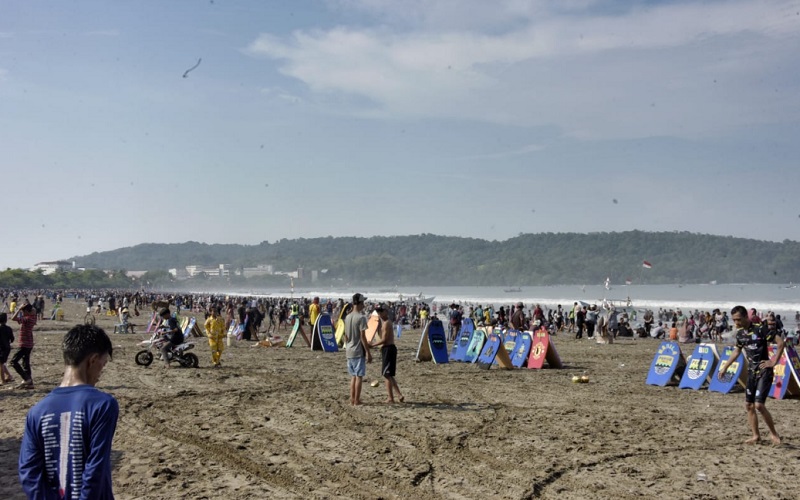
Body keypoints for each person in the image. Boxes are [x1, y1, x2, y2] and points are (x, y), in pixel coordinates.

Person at [19, 323, 118, 499]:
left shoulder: (37, 411)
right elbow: (95, 468)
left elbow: (29, 472)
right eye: (102, 365)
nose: (100, 373)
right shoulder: (103, 405)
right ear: (93, 360)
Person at [717, 306, 783, 445]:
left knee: (759, 405)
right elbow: (737, 351)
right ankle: (756, 436)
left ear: (746, 317)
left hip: (764, 371)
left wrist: (773, 362)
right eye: (734, 320)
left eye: (739, 320)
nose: (736, 323)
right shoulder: (740, 333)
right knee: (748, 405)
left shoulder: (761, 329)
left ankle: (774, 434)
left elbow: (780, 342)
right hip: (751, 372)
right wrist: (724, 367)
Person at [370, 303, 404, 404]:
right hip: (389, 349)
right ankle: (399, 395)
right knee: (388, 374)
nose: (379, 313)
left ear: (386, 311)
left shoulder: (386, 323)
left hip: (388, 349)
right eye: (378, 311)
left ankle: (391, 398)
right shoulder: (384, 322)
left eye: (381, 311)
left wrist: (372, 345)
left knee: (386, 374)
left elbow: (384, 339)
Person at [344, 293, 371, 406]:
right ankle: (357, 400)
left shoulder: (348, 317)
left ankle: (352, 399)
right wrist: (368, 352)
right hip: (358, 350)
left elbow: (346, 336)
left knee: (353, 376)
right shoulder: (361, 318)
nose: (364, 305)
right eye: (363, 302)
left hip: (349, 349)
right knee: (359, 376)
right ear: (359, 303)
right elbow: (363, 337)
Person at [12, 303, 37, 389]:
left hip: (24, 344)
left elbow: (13, 318)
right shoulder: (33, 317)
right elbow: (33, 310)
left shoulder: (27, 319)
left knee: (13, 362)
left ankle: (26, 379)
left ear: (26, 311)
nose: (22, 312)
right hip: (29, 343)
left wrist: (19, 309)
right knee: (25, 363)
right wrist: (26, 307)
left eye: (23, 311)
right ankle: (30, 383)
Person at [0, 313, 14, 384]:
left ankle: (3, 381)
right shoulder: (9, 328)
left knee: (1, 364)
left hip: (1, 348)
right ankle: (8, 376)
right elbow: (12, 339)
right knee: (2, 363)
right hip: (7, 348)